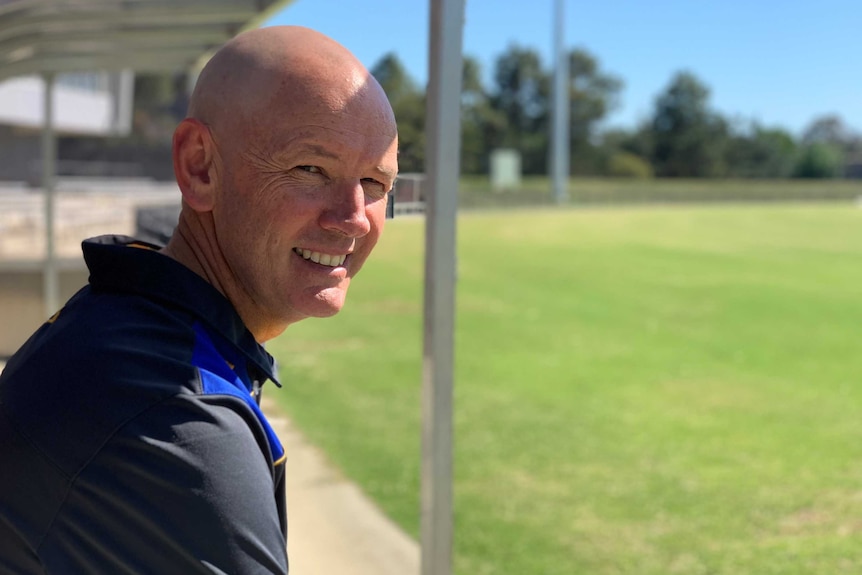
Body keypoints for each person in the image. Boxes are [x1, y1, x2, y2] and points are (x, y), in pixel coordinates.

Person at [0, 25, 398, 574]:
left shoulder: (120, 318)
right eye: (312, 168)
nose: (354, 217)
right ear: (199, 166)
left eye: (376, 184)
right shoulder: (182, 423)